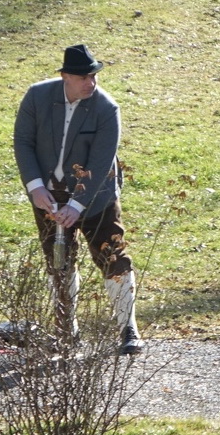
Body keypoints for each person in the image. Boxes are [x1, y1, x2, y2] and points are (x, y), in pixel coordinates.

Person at [13, 44, 142, 355]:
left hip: (96, 197)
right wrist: (35, 187)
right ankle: (66, 329)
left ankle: (128, 327)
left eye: (94, 76)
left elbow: (100, 162)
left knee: (113, 258)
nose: (91, 83)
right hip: (48, 195)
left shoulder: (106, 108)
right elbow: (23, 142)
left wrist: (76, 206)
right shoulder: (36, 97)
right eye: (84, 77)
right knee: (58, 261)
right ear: (65, 77)